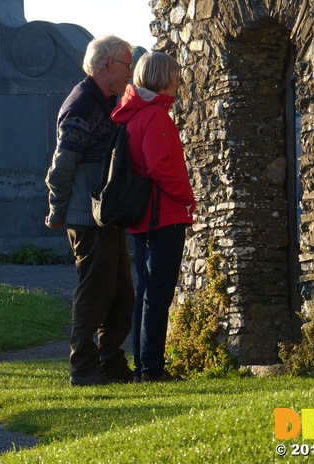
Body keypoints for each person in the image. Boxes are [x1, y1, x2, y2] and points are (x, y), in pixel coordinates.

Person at [45, 35, 135, 386]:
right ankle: (83, 369)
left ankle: (111, 365)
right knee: (95, 293)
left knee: (121, 295)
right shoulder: (83, 103)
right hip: (88, 216)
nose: (130, 72)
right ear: (109, 65)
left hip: (106, 216)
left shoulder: (104, 100)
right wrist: (57, 210)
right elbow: (62, 164)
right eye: (127, 65)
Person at [111, 51, 196, 382]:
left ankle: (144, 367)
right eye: (175, 76)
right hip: (164, 217)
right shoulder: (156, 117)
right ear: (164, 79)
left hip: (144, 218)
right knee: (159, 296)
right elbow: (160, 167)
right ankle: (152, 369)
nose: (178, 82)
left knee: (146, 294)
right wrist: (187, 198)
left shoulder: (134, 115)